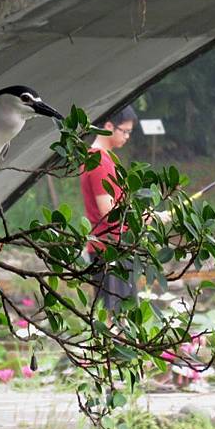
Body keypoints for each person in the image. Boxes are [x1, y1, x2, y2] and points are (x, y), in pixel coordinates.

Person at [80, 105, 139, 311]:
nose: (127, 137)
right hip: (109, 251)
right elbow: (109, 213)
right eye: (125, 131)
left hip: (115, 248)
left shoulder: (105, 159)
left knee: (122, 316)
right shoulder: (99, 162)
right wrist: (148, 218)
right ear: (108, 126)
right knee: (116, 317)